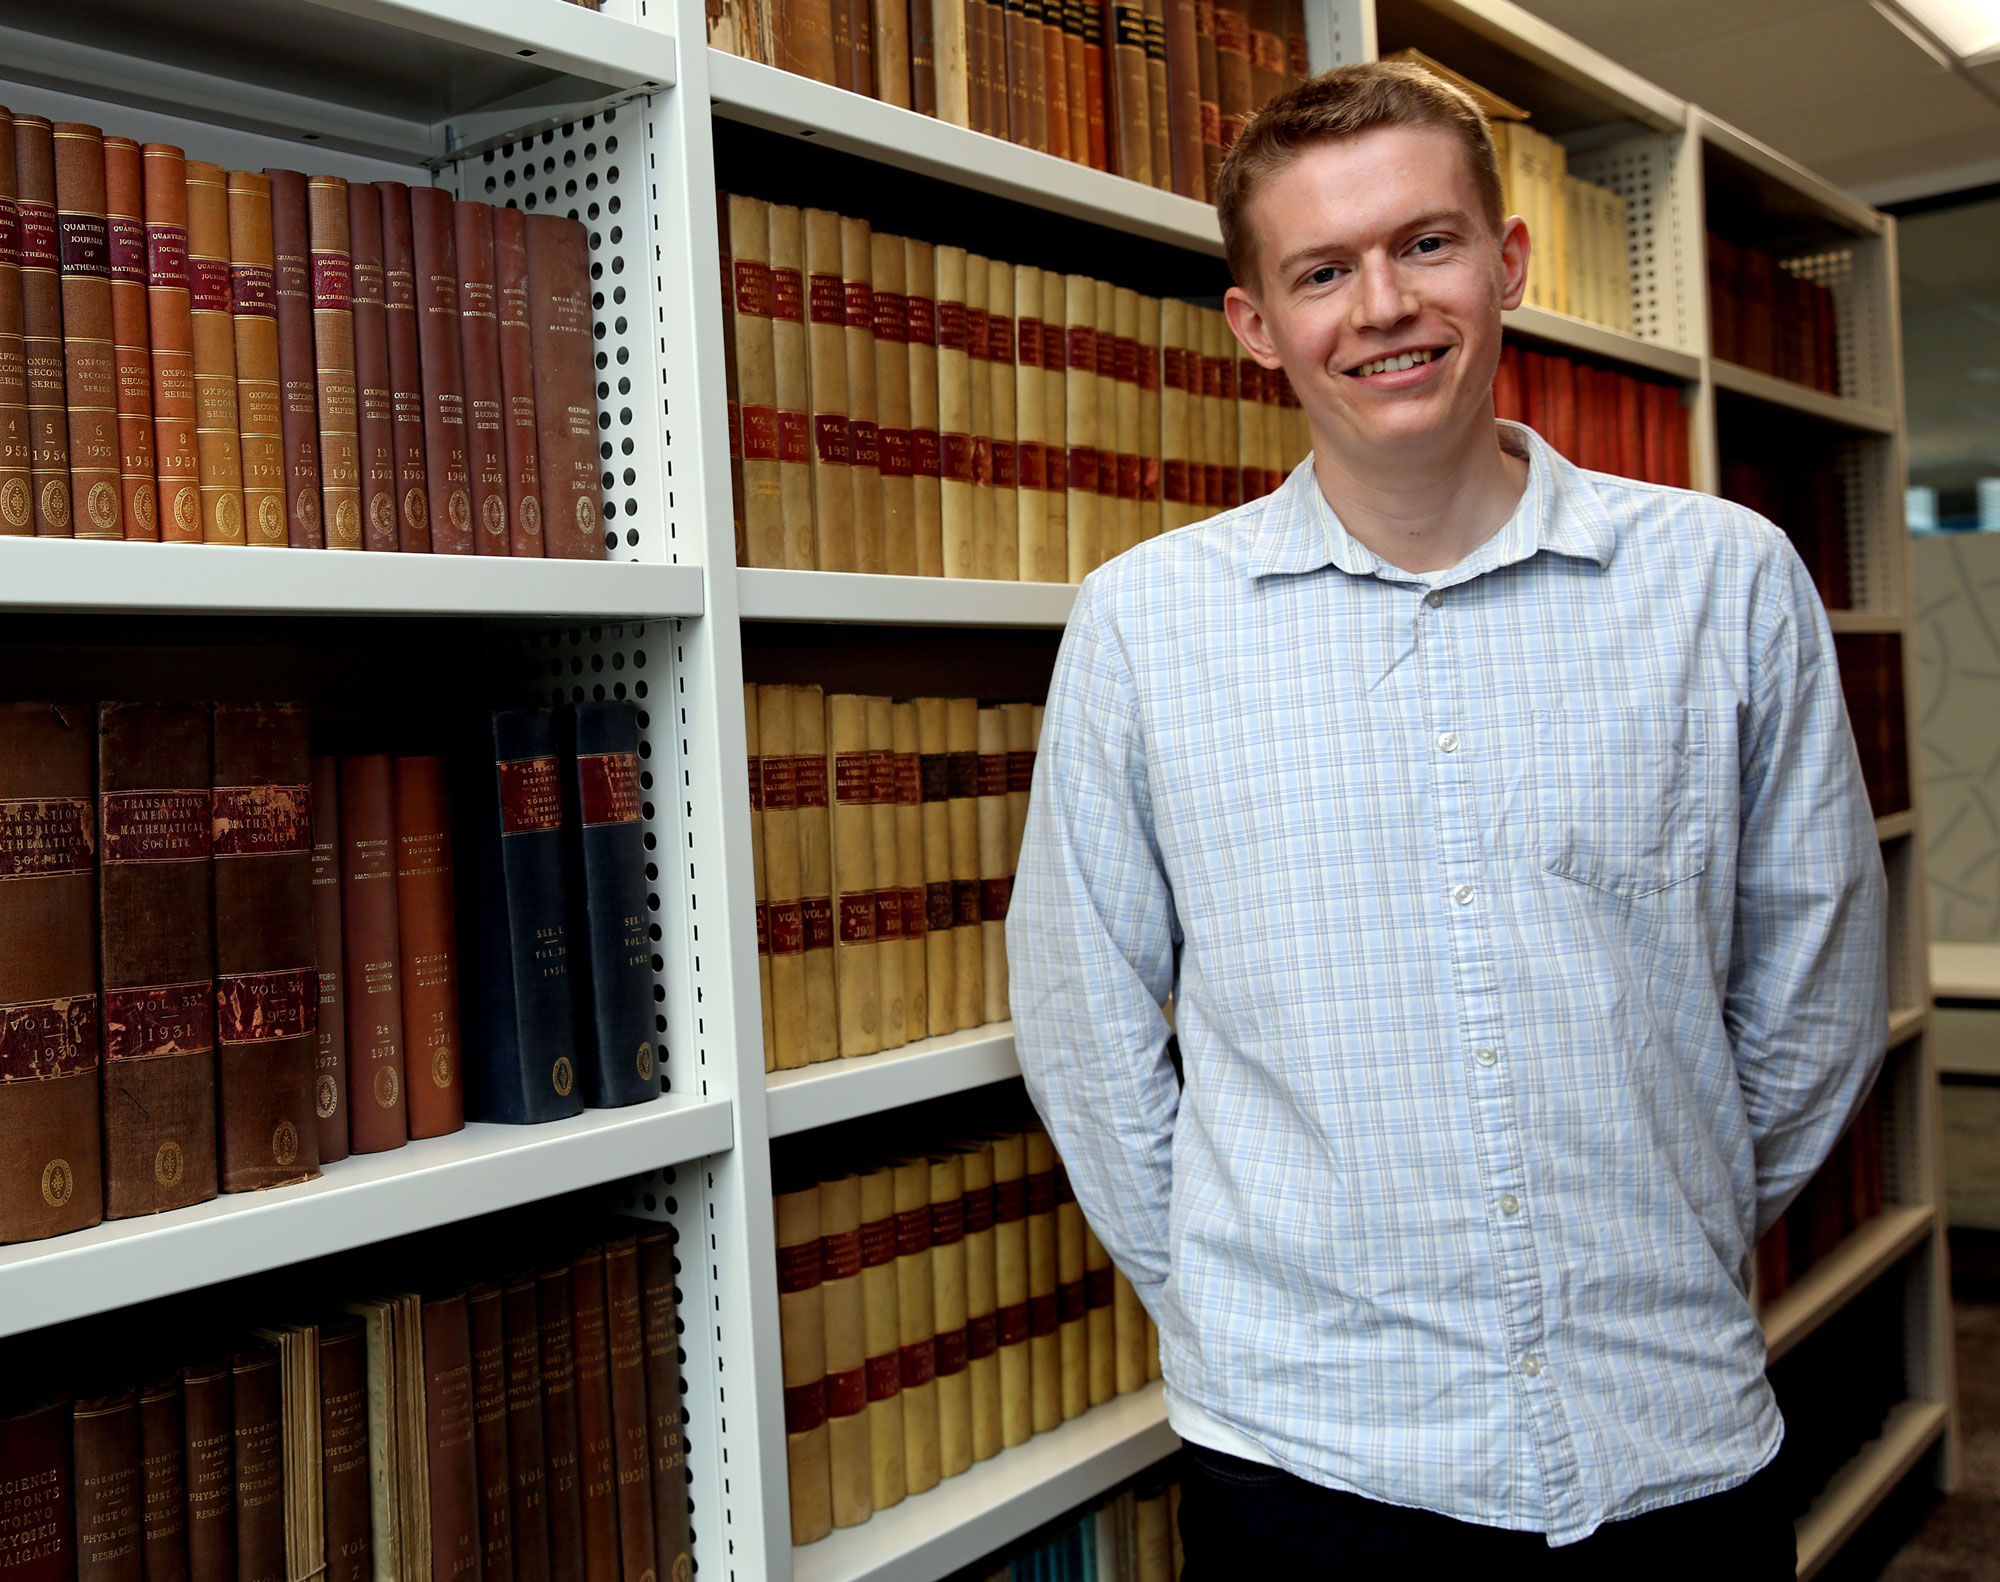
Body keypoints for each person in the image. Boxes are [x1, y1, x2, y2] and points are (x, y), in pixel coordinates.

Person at [1006, 61, 1885, 1574]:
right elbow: (1084, 1026)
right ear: (1257, 324)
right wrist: (1242, 1294)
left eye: (1426, 243)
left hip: (1667, 1440)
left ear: (1508, 263)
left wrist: (1655, 1215)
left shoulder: (1728, 583)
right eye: (1322, 271)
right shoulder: (1144, 625)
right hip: (1302, 1461)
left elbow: (1816, 987)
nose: (1384, 305)